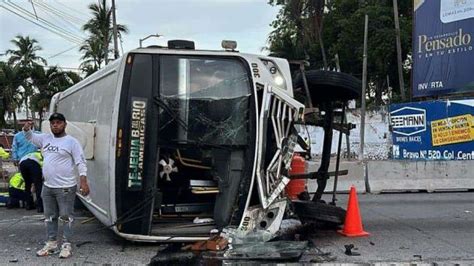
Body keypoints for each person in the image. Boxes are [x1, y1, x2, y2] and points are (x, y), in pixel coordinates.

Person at [23, 113, 90, 259]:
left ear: (64, 124)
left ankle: (67, 245)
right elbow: (30, 137)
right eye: (53, 123)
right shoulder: (45, 138)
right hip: (48, 187)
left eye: (58, 122)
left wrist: (83, 181)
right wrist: (27, 129)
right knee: (50, 217)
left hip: (66, 187)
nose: (55, 125)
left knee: (66, 217)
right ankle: (52, 243)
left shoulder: (72, 142)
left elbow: (80, 162)